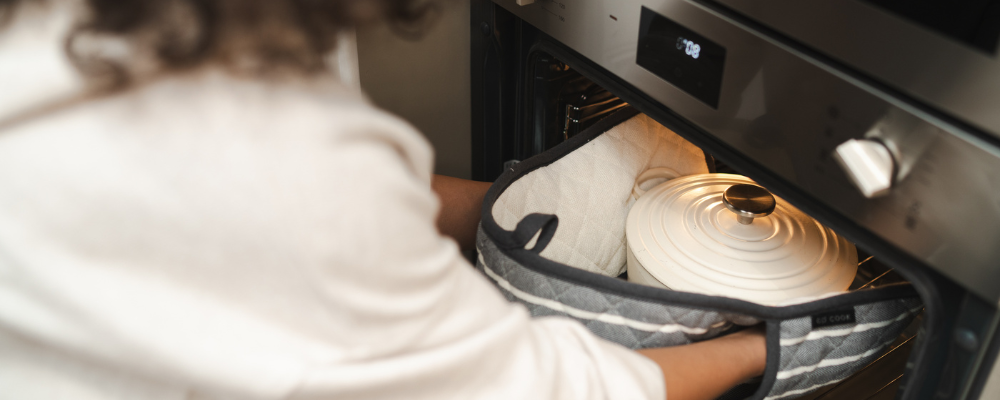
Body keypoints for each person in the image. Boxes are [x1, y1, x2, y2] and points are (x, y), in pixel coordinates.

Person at [0, 0, 765, 399]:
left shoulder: (64, 31)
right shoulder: (289, 154)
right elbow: (546, 393)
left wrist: (513, 211)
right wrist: (767, 344)